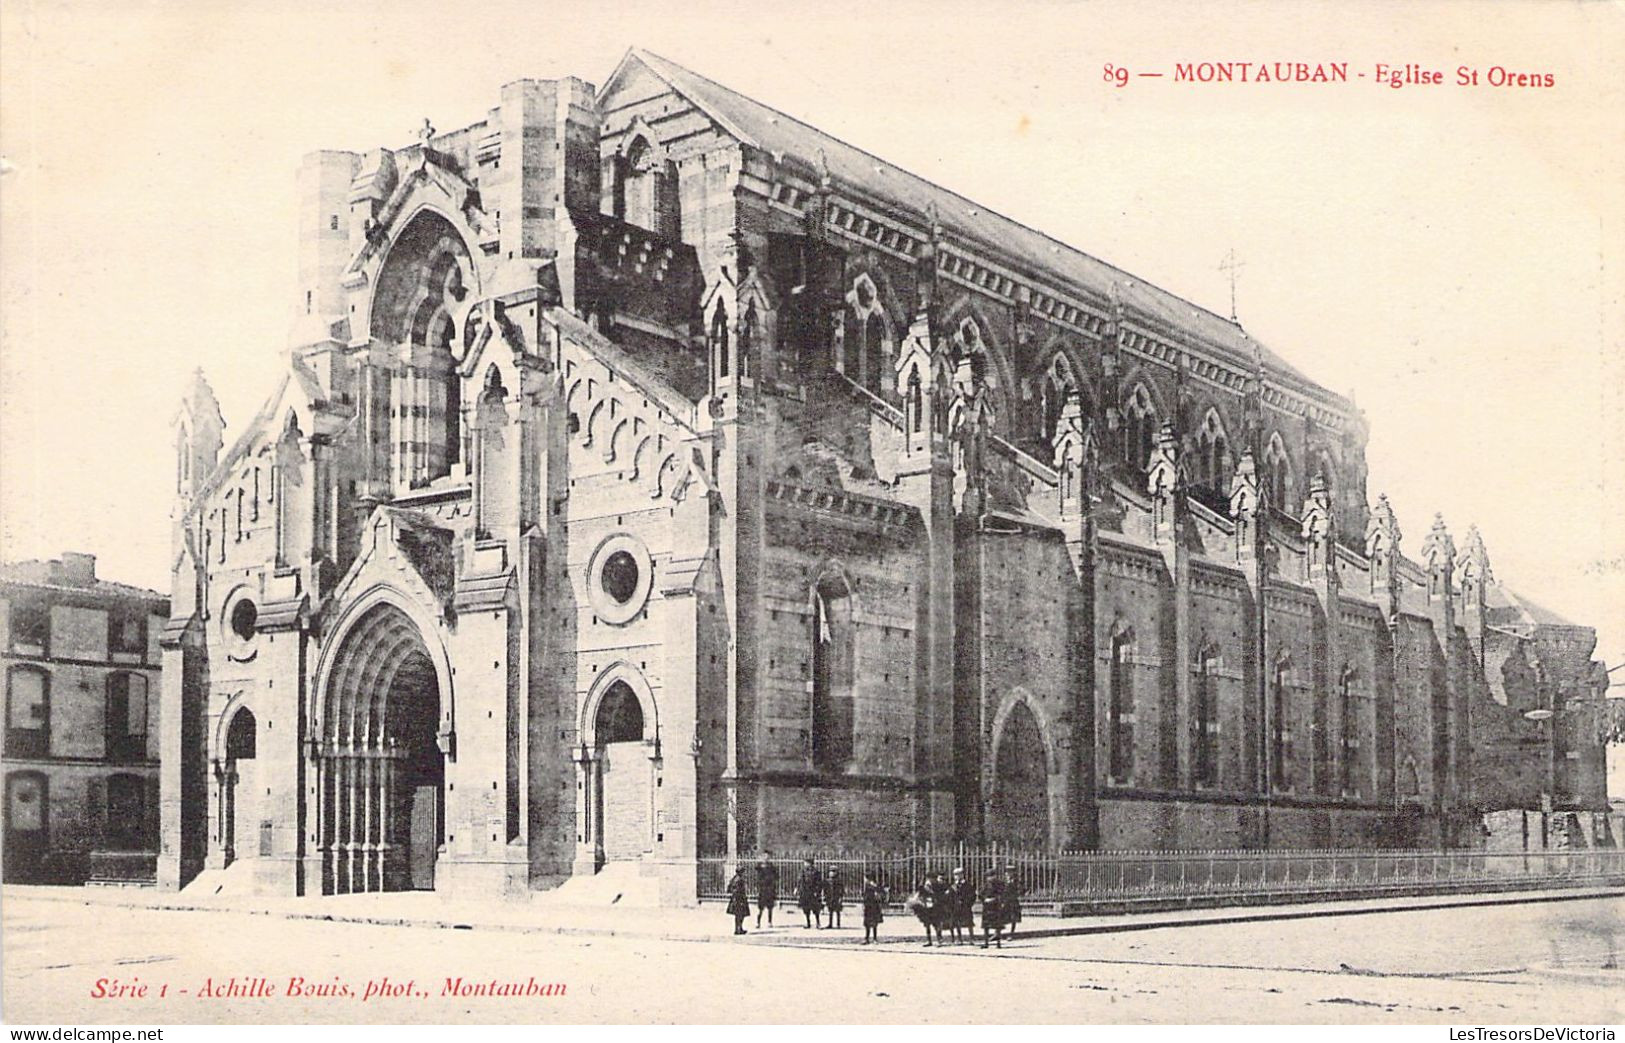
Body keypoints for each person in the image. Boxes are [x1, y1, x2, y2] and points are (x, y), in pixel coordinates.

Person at [979, 867, 1008, 949]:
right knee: (986, 926)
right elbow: (980, 894)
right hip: (987, 907)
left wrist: (995, 899)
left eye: (991, 876)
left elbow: (1003, 894)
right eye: (988, 876)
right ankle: (986, 943)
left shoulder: (1000, 884)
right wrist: (985, 899)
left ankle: (998, 943)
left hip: (996, 906)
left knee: (997, 926)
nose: (990, 878)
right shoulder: (985, 885)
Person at [947, 867, 976, 945]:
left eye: (959, 874)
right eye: (955, 875)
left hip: (965, 906)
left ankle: (971, 938)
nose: (957, 876)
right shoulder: (953, 886)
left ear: (962, 875)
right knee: (957, 923)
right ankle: (959, 939)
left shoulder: (968, 885)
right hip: (956, 907)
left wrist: (968, 903)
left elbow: (972, 895)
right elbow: (950, 896)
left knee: (969, 922)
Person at [906, 876, 938, 946]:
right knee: (927, 925)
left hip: (933, 907)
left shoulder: (935, 888)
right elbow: (918, 896)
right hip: (926, 907)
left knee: (935, 924)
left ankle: (939, 939)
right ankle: (929, 940)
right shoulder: (922, 889)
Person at [797, 857, 824, 929]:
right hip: (804, 892)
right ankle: (808, 923)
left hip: (813, 892)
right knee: (806, 908)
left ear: (811, 864)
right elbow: (800, 881)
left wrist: (817, 891)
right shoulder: (802, 871)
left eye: (806, 863)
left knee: (815, 909)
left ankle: (818, 923)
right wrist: (797, 889)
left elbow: (819, 883)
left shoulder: (816, 872)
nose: (805, 864)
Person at [725, 866, 752, 935]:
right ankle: (738, 929)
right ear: (741, 872)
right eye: (743, 872)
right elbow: (736, 890)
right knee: (740, 915)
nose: (744, 873)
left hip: (736, 899)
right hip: (739, 899)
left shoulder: (734, 878)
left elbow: (729, 889)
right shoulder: (739, 880)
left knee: (738, 915)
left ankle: (738, 928)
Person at [754, 854, 779, 928]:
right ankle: (758, 922)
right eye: (764, 857)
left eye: (767, 857)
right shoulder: (759, 867)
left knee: (770, 907)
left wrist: (774, 885)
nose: (766, 859)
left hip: (770, 889)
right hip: (762, 889)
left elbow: (776, 877)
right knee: (760, 908)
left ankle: (769, 921)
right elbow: (757, 878)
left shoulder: (772, 867)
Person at [861, 872, 886, 945]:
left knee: (871, 923)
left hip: (872, 906)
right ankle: (869, 938)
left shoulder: (872, 886)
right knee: (870, 924)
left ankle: (871, 938)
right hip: (871, 907)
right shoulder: (872, 886)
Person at [822, 864, 845, 929]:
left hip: (836, 897)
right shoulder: (827, 881)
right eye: (830, 871)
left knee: (837, 911)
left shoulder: (839, 881)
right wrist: (824, 896)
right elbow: (825, 889)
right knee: (830, 911)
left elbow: (841, 890)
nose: (831, 873)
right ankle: (830, 923)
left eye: (833, 871)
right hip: (829, 897)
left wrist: (841, 897)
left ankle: (838, 924)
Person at [1004, 862, 1023, 938]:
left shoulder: (1016, 881)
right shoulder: (1005, 880)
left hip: (1013, 901)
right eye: (1007, 871)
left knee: (1013, 918)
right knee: (1002, 917)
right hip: (1005, 901)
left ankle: (1011, 934)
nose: (1008, 873)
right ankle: (998, 933)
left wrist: (1016, 894)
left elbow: (1021, 890)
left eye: (1010, 871)